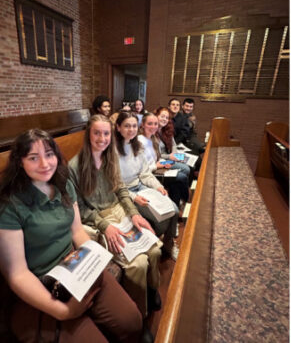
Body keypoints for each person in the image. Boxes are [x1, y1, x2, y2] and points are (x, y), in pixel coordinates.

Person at [0, 130, 142, 342]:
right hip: (38, 283)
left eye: (49, 154)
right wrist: (62, 311)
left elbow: (77, 231)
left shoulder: (63, 184)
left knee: (132, 321)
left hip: (73, 265)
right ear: (20, 162)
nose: (45, 164)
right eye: (33, 158)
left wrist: (94, 260)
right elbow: (17, 274)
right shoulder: (10, 204)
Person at [68, 114, 162, 319]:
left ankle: (152, 290)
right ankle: (139, 314)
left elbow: (121, 191)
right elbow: (81, 209)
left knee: (154, 249)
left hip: (119, 209)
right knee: (138, 264)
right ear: (88, 134)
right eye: (97, 133)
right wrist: (105, 226)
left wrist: (135, 214)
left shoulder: (111, 158)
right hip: (98, 218)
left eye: (106, 133)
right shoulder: (75, 167)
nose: (102, 138)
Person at [114, 112, 179, 261]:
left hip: (140, 186)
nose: (131, 129)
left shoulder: (137, 146)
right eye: (127, 126)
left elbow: (145, 174)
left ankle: (169, 244)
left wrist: (157, 187)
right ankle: (155, 246)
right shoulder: (112, 150)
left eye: (134, 126)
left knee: (174, 210)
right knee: (160, 218)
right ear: (118, 127)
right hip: (126, 193)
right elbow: (115, 184)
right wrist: (134, 197)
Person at [138, 112, 190, 209]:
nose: (153, 127)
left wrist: (166, 162)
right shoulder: (140, 141)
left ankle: (179, 205)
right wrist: (158, 165)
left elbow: (158, 157)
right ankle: (186, 201)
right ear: (142, 125)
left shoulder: (152, 138)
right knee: (182, 176)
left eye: (155, 124)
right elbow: (142, 169)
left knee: (184, 167)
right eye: (150, 124)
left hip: (160, 164)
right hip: (151, 173)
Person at [154, 107, 192, 180]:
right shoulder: (152, 132)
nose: (164, 119)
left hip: (169, 157)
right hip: (161, 160)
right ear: (156, 116)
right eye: (162, 116)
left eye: (167, 118)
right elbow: (156, 155)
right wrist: (169, 157)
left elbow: (173, 145)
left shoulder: (166, 130)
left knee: (190, 161)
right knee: (186, 169)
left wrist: (174, 155)